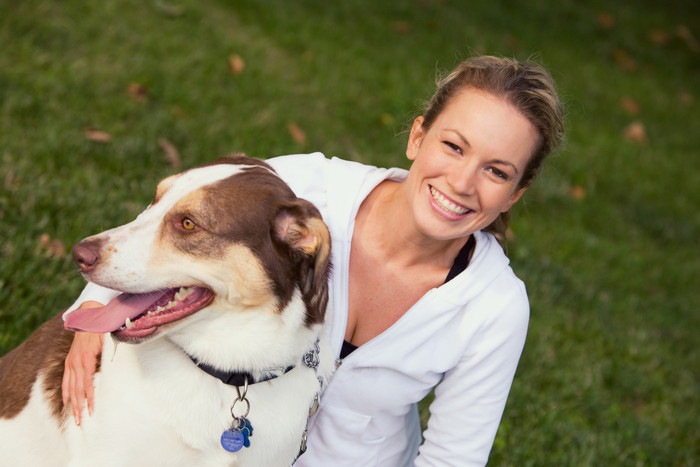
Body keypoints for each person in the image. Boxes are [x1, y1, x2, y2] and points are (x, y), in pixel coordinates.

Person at [62, 55, 564, 466]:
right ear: (417, 137)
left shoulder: (494, 307)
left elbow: (452, 459)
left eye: (496, 172)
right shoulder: (310, 189)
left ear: (515, 195)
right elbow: (182, 209)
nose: (461, 182)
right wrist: (98, 308)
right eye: (453, 146)